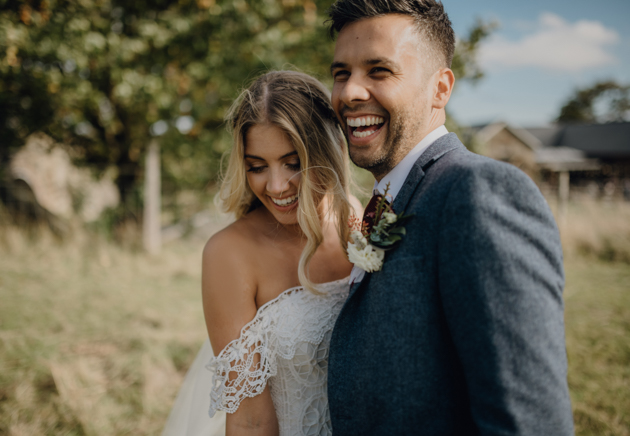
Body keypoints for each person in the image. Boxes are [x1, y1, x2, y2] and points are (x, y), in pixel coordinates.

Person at [325, 1, 575, 435]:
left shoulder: (478, 192)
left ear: (440, 89)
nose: (349, 93)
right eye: (341, 73)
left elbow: (528, 423)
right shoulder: (388, 200)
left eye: (379, 71)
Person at [161, 70, 357, 436]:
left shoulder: (359, 221)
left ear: (328, 150)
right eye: (257, 167)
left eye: (293, 162)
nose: (277, 185)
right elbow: (251, 420)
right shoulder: (229, 253)